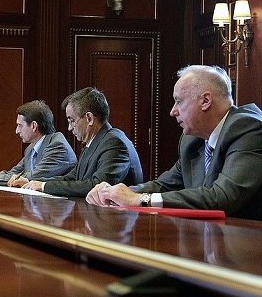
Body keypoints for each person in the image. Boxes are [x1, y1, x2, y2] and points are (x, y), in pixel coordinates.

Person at [86, 65, 262, 221]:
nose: (172, 111)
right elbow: (163, 185)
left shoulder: (248, 128)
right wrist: (113, 193)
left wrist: (140, 200)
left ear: (206, 100)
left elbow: (223, 197)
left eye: (179, 101)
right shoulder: (192, 141)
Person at [13, 87, 143, 196]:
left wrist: (44, 186)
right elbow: (72, 178)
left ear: (89, 118)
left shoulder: (114, 143)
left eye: (72, 121)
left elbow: (98, 186)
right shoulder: (94, 142)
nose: (69, 128)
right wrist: (34, 182)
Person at [0, 100, 77, 181]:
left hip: (57, 209)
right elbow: (13, 173)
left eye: (20, 125)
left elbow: (34, 176)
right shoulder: (31, 149)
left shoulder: (57, 146)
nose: (16, 131)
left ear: (34, 126)